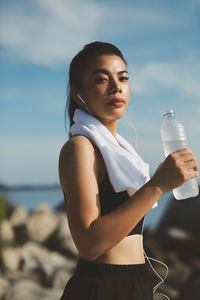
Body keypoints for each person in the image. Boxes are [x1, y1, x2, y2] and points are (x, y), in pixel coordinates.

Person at [58, 41, 198, 300]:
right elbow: (89, 244)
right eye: (102, 79)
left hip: (136, 285)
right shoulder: (80, 147)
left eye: (122, 78)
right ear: (79, 93)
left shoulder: (122, 152)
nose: (116, 86)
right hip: (101, 289)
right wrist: (157, 186)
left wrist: (166, 181)